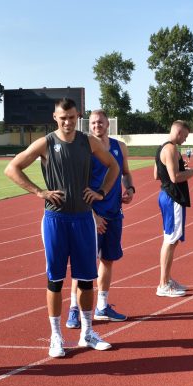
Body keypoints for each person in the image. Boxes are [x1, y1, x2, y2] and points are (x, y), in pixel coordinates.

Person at [5, 98, 119, 357]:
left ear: (78, 116)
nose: (67, 122)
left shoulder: (88, 141)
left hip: (82, 220)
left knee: (87, 279)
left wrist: (101, 191)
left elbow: (114, 166)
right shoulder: (46, 143)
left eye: (71, 117)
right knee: (55, 280)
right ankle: (56, 336)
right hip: (55, 220)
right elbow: (12, 168)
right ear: (55, 117)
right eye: (62, 117)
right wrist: (38, 191)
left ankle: (87, 332)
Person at [65, 110, 135, 328]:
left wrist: (130, 188)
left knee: (108, 259)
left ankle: (102, 306)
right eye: (93, 123)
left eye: (101, 122)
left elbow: (125, 172)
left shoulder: (119, 146)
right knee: (84, 263)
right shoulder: (84, 148)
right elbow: (76, 185)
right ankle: (74, 310)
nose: (97, 125)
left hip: (114, 213)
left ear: (108, 124)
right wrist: (92, 215)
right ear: (89, 125)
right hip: (90, 215)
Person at [155, 120, 193, 296]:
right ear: (179, 132)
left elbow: (156, 174)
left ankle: (166, 279)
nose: (185, 140)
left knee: (171, 239)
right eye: (186, 136)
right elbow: (175, 177)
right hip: (173, 197)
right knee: (170, 240)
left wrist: (182, 169)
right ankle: (163, 284)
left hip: (167, 196)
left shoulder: (162, 147)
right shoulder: (171, 149)